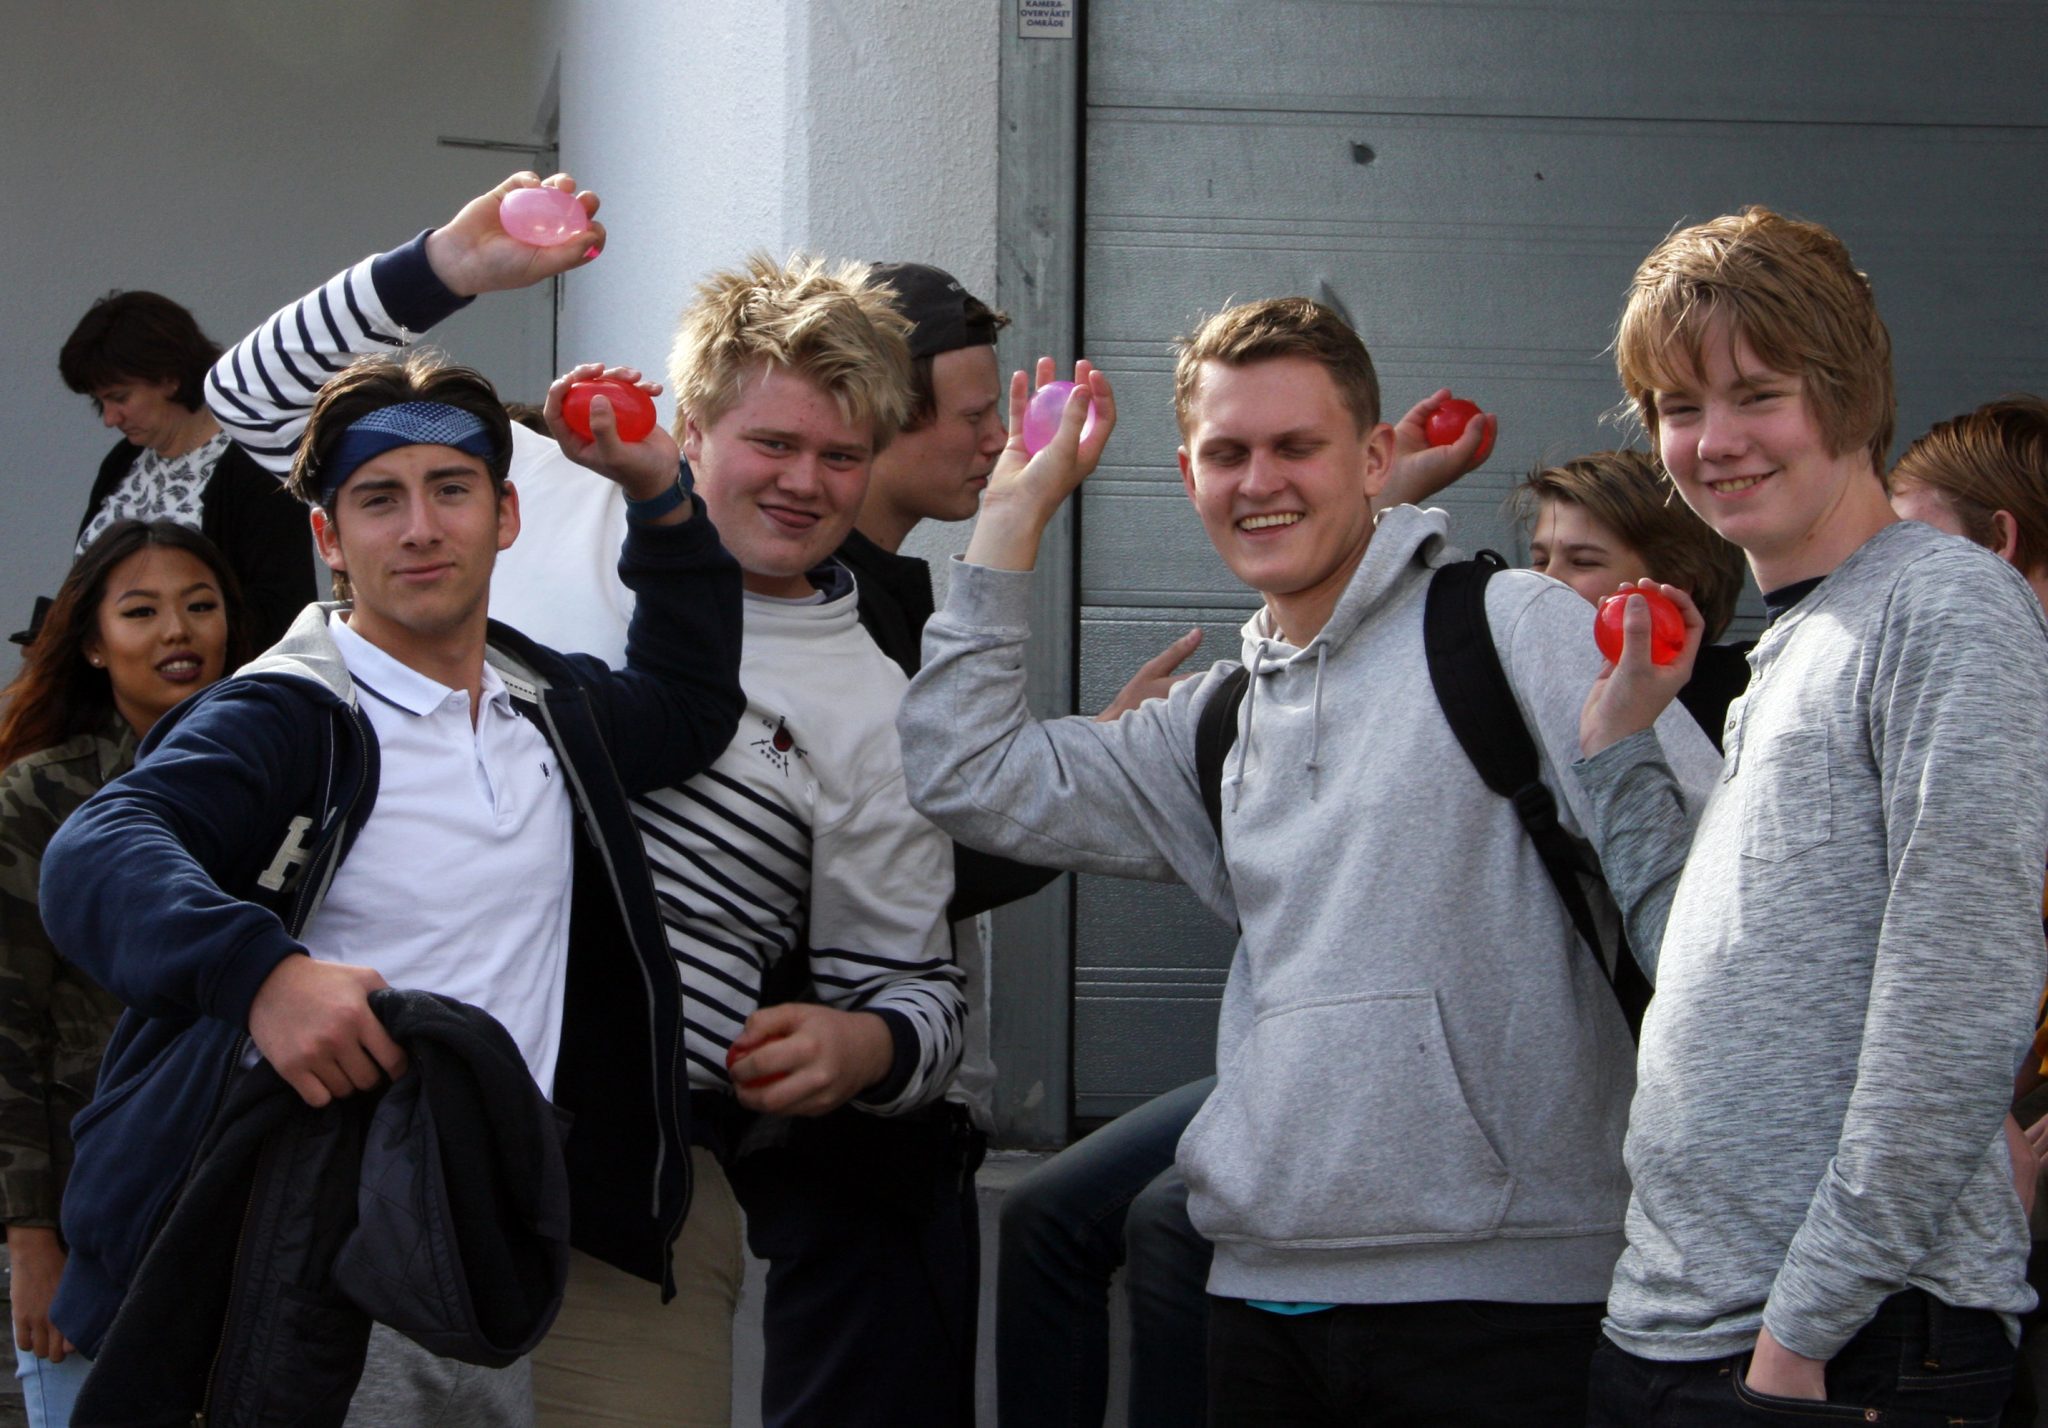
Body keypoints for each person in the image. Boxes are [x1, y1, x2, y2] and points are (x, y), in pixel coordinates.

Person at [199, 178, 967, 1426]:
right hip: (369, 1142)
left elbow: (917, 991)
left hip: (624, 1206)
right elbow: (250, 402)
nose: (803, 484)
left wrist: (863, 1047)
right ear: (690, 425)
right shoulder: (535, 494)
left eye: (840, 457)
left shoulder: (876, 703)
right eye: (772, 444)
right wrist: (449, 266)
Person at [900, 299, 1720, 1424]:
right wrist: (1010, 513)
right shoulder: (1212, 724)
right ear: (1187, 478)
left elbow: (1716, 908)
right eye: (1226, 453)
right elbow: (963, 770)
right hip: (1261, 1297)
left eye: (1296, 446)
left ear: (1374, 460)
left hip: (1512, 1300)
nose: (1259, 482)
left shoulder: (1513, 625)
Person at [39, 218, 747, 1420]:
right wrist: (263, 977)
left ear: (504, 518)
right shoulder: (289, 713)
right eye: (378, 500)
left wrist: (658, 492)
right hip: (300, 1249)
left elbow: (687, 706)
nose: (419, 528)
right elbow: (94, 853)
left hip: (475, 1246)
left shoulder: (546, 708)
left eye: (450, 490)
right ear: (328, 538)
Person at [1574, 207, 2048, 1424]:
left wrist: (1801, 1332)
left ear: (1844, 396)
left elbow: (1959, 997)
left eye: (1756, 395)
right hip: (1679, 1326)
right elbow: (1704, 964)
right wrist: (1620, 738)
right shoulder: (1788, 648)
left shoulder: (1942, 607)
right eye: (1678, 407)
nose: (1713, 442)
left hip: (1842, 1347)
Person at [0, 521, 245, 1427]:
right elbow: (5, 1025)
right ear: (94, 644)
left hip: (244, 1206)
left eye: (200, 606)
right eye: (141, 612)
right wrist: (32, 1238)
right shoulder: (38, 796)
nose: (178, 631)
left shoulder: (283, 774)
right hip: (92, 1219)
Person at [58, 291, 316, 651]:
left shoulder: (254, 466)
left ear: (169, 378)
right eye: (99, 401)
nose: (109, 418)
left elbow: (282, 611)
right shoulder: (123, 460)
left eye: (119, 397)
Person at [1517, 449, 1750, 747]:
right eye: (1539, 560)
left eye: (1583, 562)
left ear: (1675, 585)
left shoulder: (1747, 701)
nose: (1546, 580)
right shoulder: (1519, 687)